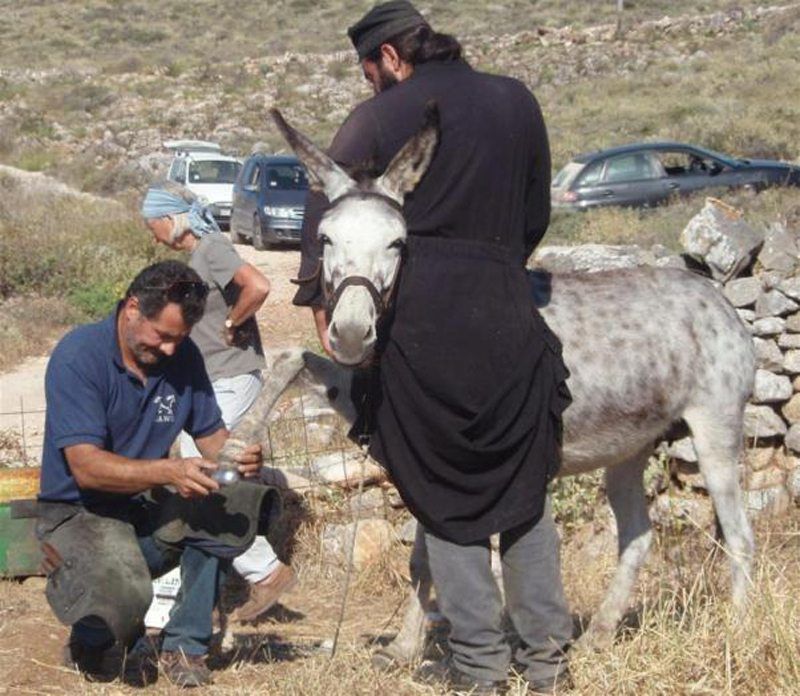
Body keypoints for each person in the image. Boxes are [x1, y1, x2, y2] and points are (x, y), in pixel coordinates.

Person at [292, 2, 573, 693]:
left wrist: (330, 316)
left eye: (370, 74)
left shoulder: (377, 120)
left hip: (422, 327)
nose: (371, 89)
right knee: (524, 492)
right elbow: (536, 214)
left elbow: (325, 229)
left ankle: (480, 670)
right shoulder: (517, 100)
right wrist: (496, 267)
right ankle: (549, 668)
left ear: (389, 58)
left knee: (444, 498)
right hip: (512, 311)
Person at [37, 260, 271, 688]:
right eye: (162, 336)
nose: (168, 350)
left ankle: (186, 646)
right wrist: (169, 469)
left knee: (228, 503)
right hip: (77, 511)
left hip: (140, 502)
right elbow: (86, 469)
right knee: (123, 591)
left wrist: (238, 457)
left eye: (178, 340)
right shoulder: (78, 356)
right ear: (131, 309)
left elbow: (212, 437)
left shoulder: (184, 357)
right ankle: (90, 634)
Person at [141, 182, 296, 622]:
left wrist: (232, 321)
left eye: (152, 223)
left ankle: (266, 572)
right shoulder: (197, 256)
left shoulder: (211, 248)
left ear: (170, 218)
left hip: (230, 377)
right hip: (214, 380)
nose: (151, 234)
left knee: (198, 475)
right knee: (208, 475)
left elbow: (259, 286)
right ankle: (230, 580)